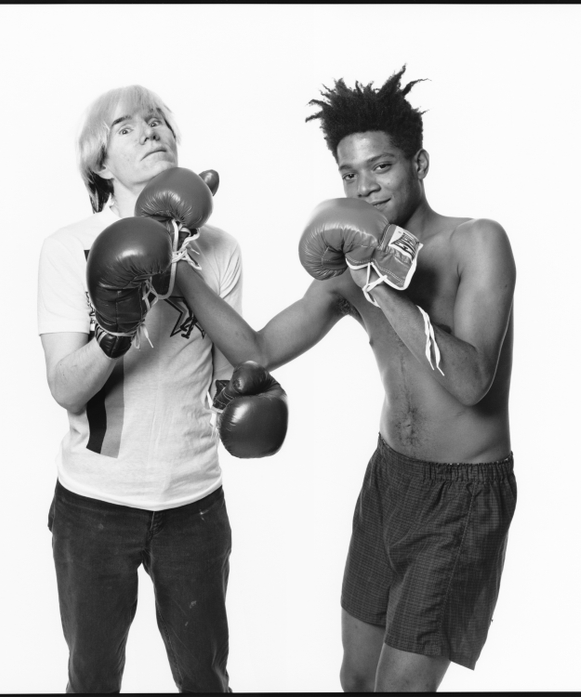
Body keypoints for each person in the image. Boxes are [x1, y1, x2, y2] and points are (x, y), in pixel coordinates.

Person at [171, 66, 518, 692]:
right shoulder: (347, 266)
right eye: (349, 175)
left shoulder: (477, 243)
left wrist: (378, 280)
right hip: (389, 480)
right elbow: (258, 347)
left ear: (420, 162)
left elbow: (471, 382)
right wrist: (180, 270)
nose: (366, 187)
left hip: (464, 496)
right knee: (356, 680)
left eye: (382, 167)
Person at [37, 84, 286, 693]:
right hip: (95, 503)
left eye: (158, 121)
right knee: (92, 680)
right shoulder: (71, 248)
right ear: (100, 161)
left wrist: (247, 399)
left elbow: (228, 375)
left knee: (205, 679)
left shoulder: (221, 249)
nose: (150, 131)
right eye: (126, 127)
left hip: (193, 500)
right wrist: (116, 330)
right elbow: (65, 388)